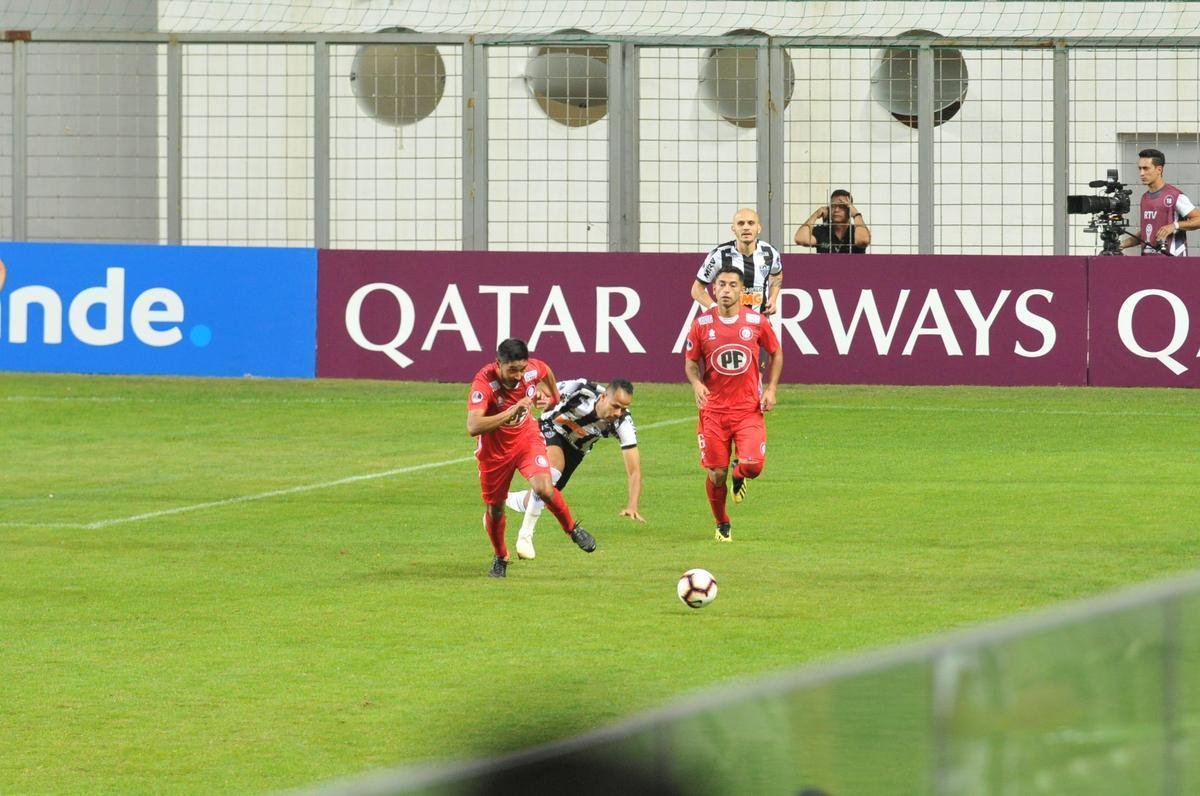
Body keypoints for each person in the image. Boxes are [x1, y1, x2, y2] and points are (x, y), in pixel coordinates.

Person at [466, 338, 596, 578]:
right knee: (495, 510)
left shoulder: (531, 370)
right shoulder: (484, 383)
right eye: (512, 370)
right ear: (498, 364)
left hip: (527, 439)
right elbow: (473, 425)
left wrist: (554, 398)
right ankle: (500, 557)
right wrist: (510, 412)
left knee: (544, 488)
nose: (517, 375)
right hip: (494, 453)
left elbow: (545, 369)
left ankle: (572, 529)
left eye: (521, 369)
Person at [684, 264, 783, 542]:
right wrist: (697, 383)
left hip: (748, 411)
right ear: (713, 289)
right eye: (721, 285)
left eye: (732, 285)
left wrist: (772, 389)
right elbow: (691, 362)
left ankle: (738, 474)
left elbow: (776, 353)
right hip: (713, 412)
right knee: (716, 475)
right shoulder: (702, 325)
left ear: (741, 290)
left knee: (753, 467)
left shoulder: (756, 322)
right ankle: (722, 522)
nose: (726, 290)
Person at [504, 378, 643, 560]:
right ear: (603, 397)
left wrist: (632, 505)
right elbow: (541, 383)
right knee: (552, 472)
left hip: (576, 451)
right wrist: (544, 398)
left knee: (545, 495)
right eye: (615, 406)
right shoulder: (580, 389)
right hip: (551, 427)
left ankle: (504, 499)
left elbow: (634, 470)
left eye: (623, 408)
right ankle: (525, 536)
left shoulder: (623, 423)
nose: (618, 412)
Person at [692, 207, 783, 316]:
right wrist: (715, 308)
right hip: (728, 323)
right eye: (740, 223)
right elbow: (697, 289)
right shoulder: (719, 254)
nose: (746, 227)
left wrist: (773, 299)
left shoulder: (770, 253)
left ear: (758, 228)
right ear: (733, 229)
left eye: (751, 223)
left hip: (759, 325)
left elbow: (777, 275)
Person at [1120, 148, 1199, 256]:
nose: (1141, 173)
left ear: (1159, 169)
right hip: (1148, 263)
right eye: (1140, 169)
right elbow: (1147, 234)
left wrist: (1174, 225)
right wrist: (1122, 244)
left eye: (1146, 168)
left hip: (1173, 263)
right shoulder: (1144, 197)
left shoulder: (1175, 196)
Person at [794, 189, 871, 253]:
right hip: (827, 270)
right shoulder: (822, 231)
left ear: (849, 209)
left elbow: (863, 241)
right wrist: (815, 215)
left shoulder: (857, 230)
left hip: (853, 271)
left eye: (842, 206)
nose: (836, 210)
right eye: (833, 206)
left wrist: (856, 214)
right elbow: (800, 239)